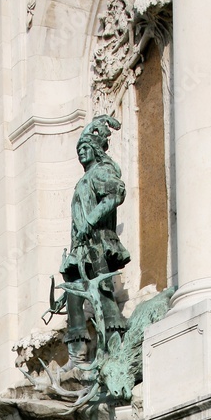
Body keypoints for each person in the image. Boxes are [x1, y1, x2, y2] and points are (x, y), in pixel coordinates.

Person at [59, 114, 131, 342]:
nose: (81, 151)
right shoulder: (84, 179)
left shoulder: (100, 172)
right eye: (79, 148)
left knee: (103, 290)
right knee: (72, 291)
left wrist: (90, 222)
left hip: (96, 241)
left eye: (86, 147)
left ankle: (114, 341)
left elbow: (115, 194)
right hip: (80, 245)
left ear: (96, 150)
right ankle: (77, 347)